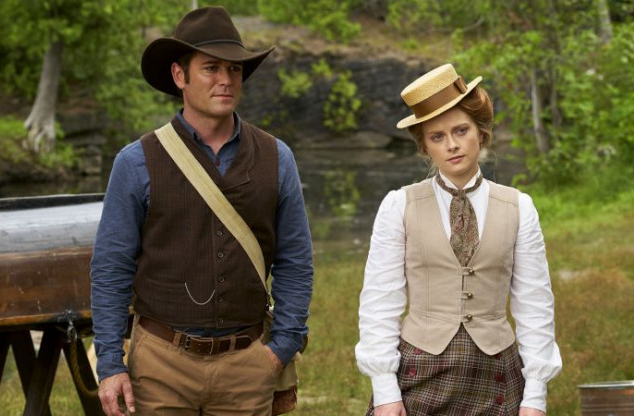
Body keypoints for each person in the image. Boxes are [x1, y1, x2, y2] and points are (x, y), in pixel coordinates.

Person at [90, 6, 313, 416]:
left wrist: (281, 347)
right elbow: (111, 268)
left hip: (248, 364)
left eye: (234, 69)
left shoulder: (277, 157)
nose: (225, 79)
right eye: (211, 68)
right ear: (180, 76)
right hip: (160, 364)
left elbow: (295, 261)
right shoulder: (135, 162)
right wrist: (110, 364)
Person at [355, 63, 562, 416]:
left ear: (481, 132)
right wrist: (385, 389)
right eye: (437, 137)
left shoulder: (519, 207)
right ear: (425, 147)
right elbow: (380, 300)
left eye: (461, 130)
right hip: (419, 373)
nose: (451, 145)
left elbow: (534, 303)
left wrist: (535, 396)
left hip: (496, 375)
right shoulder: (398, 205)